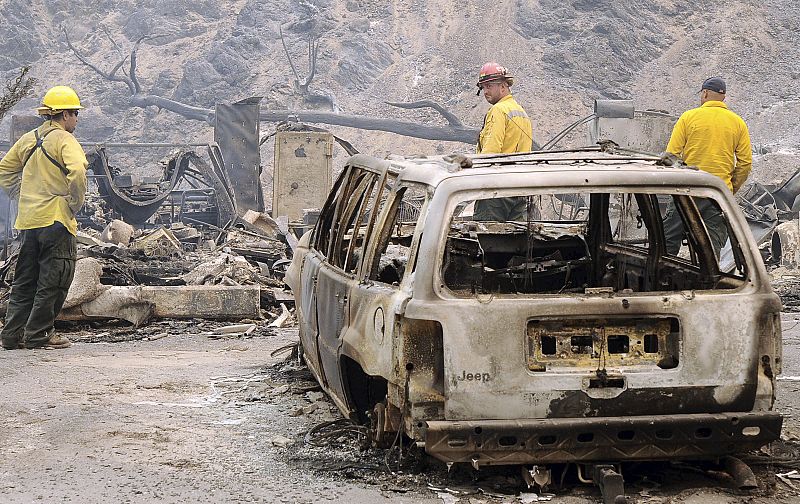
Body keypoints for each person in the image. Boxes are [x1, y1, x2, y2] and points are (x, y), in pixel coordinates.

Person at [0, 85, 88, 350]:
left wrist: (19, 194)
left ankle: (11, 335)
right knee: (55, 278)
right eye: (75, 114)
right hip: (55, 221)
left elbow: (4, 170)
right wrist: (73, 203)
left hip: (28, 221)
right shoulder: (65, 140)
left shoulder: (29, 139)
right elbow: (78, 173)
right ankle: (39, 334)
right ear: (64, 115)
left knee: (25, 280)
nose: (76, 120)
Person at [663, 76, 752, 257]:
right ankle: (709, 283)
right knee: (711, 250)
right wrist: (728, 188)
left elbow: (671, 156)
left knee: (668, 243)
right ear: (724, 97)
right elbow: (745, 163)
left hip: (686, 191)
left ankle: (662, 281)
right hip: (716, 194)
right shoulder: (738, 123)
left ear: (704, 93)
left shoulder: (688, 117)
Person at [473, 62, 534, 221]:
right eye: (483, 87)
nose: (485, 91)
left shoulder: (498, 110)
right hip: (519, 189)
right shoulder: (522, 113)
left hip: (496, 190)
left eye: (489, 86)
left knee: (487, 240)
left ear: (503, 86)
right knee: (515, 241)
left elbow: (490, 153)